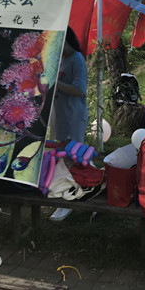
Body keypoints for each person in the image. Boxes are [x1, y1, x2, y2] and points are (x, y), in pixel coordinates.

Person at [49, 26, 88, 222]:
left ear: (67, 40)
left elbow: (80, 90)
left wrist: (55, 83)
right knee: (64, 157)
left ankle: (68, 201)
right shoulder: (61, 59)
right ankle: (71, 192)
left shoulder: (77, 59)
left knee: (72, 158)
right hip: (61, 117)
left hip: (73, 117)